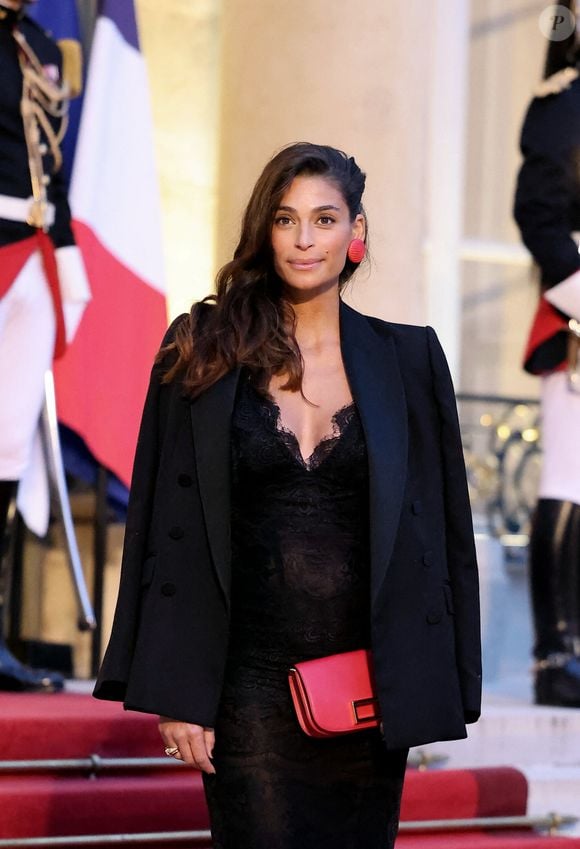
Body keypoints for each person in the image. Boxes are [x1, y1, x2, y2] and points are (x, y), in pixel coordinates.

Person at [94, 142, 482, 849]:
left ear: (355, 232)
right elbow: (161, 523)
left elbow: (447, 530)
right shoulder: (203, 348)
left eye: (325, 219)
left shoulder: (411, 359)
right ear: (264, 231)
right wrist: (176, 692)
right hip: (246, 687)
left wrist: (446, 678)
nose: (305, 239)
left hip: (366, 689)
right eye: (286, 219)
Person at [0, 0, 88, 691]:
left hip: (35, 251)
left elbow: (48, 165)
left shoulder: (36, 44)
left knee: (6, 446)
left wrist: (65, 255)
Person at [513, 0, 580, 708]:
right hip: (577, 316)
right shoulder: (564, 101)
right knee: (569, 479)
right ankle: (555, 653)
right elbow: (537, 210)